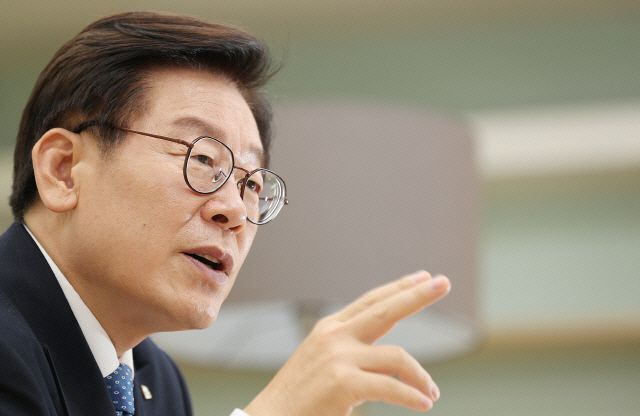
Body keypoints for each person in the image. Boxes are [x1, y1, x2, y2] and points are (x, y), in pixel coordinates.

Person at [0, 11, 451, 416]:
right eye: (201, 159)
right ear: (63, 170)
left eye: (251, 184)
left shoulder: (156, 379)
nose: (234, 211)